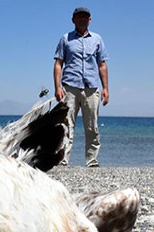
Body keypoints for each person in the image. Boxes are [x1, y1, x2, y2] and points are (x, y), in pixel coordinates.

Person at [54, 7, 109, 167]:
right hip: (69, 87)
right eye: (79, 17)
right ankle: (63, 159)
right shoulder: (66, 39)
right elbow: (58, 63)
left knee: (92, 126)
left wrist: (106, 88)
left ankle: (91, 160)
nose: (82, 19)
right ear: (73, 20)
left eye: (85, 17)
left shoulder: (97, 39)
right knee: (66, 125)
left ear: (90, 20)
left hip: (91, 87)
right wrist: (57, 86)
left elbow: (102, 64)